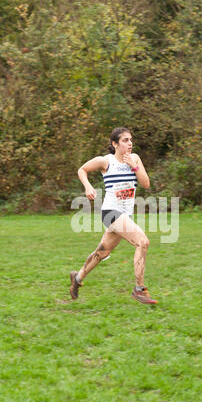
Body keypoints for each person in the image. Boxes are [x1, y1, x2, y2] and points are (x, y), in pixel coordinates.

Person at [70, 127, 158, 304]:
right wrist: (88, 187)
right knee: (143, 242)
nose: (130, 143)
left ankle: (77, 278)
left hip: (125, 215)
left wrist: (134, 167)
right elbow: (82, 170)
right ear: (115, 144)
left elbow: (146, 184)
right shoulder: (105, 161)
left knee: (102, 252)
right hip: (110, 213)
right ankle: (139, 289)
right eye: (125, 140)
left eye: (131, 140)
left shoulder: (135, 159)